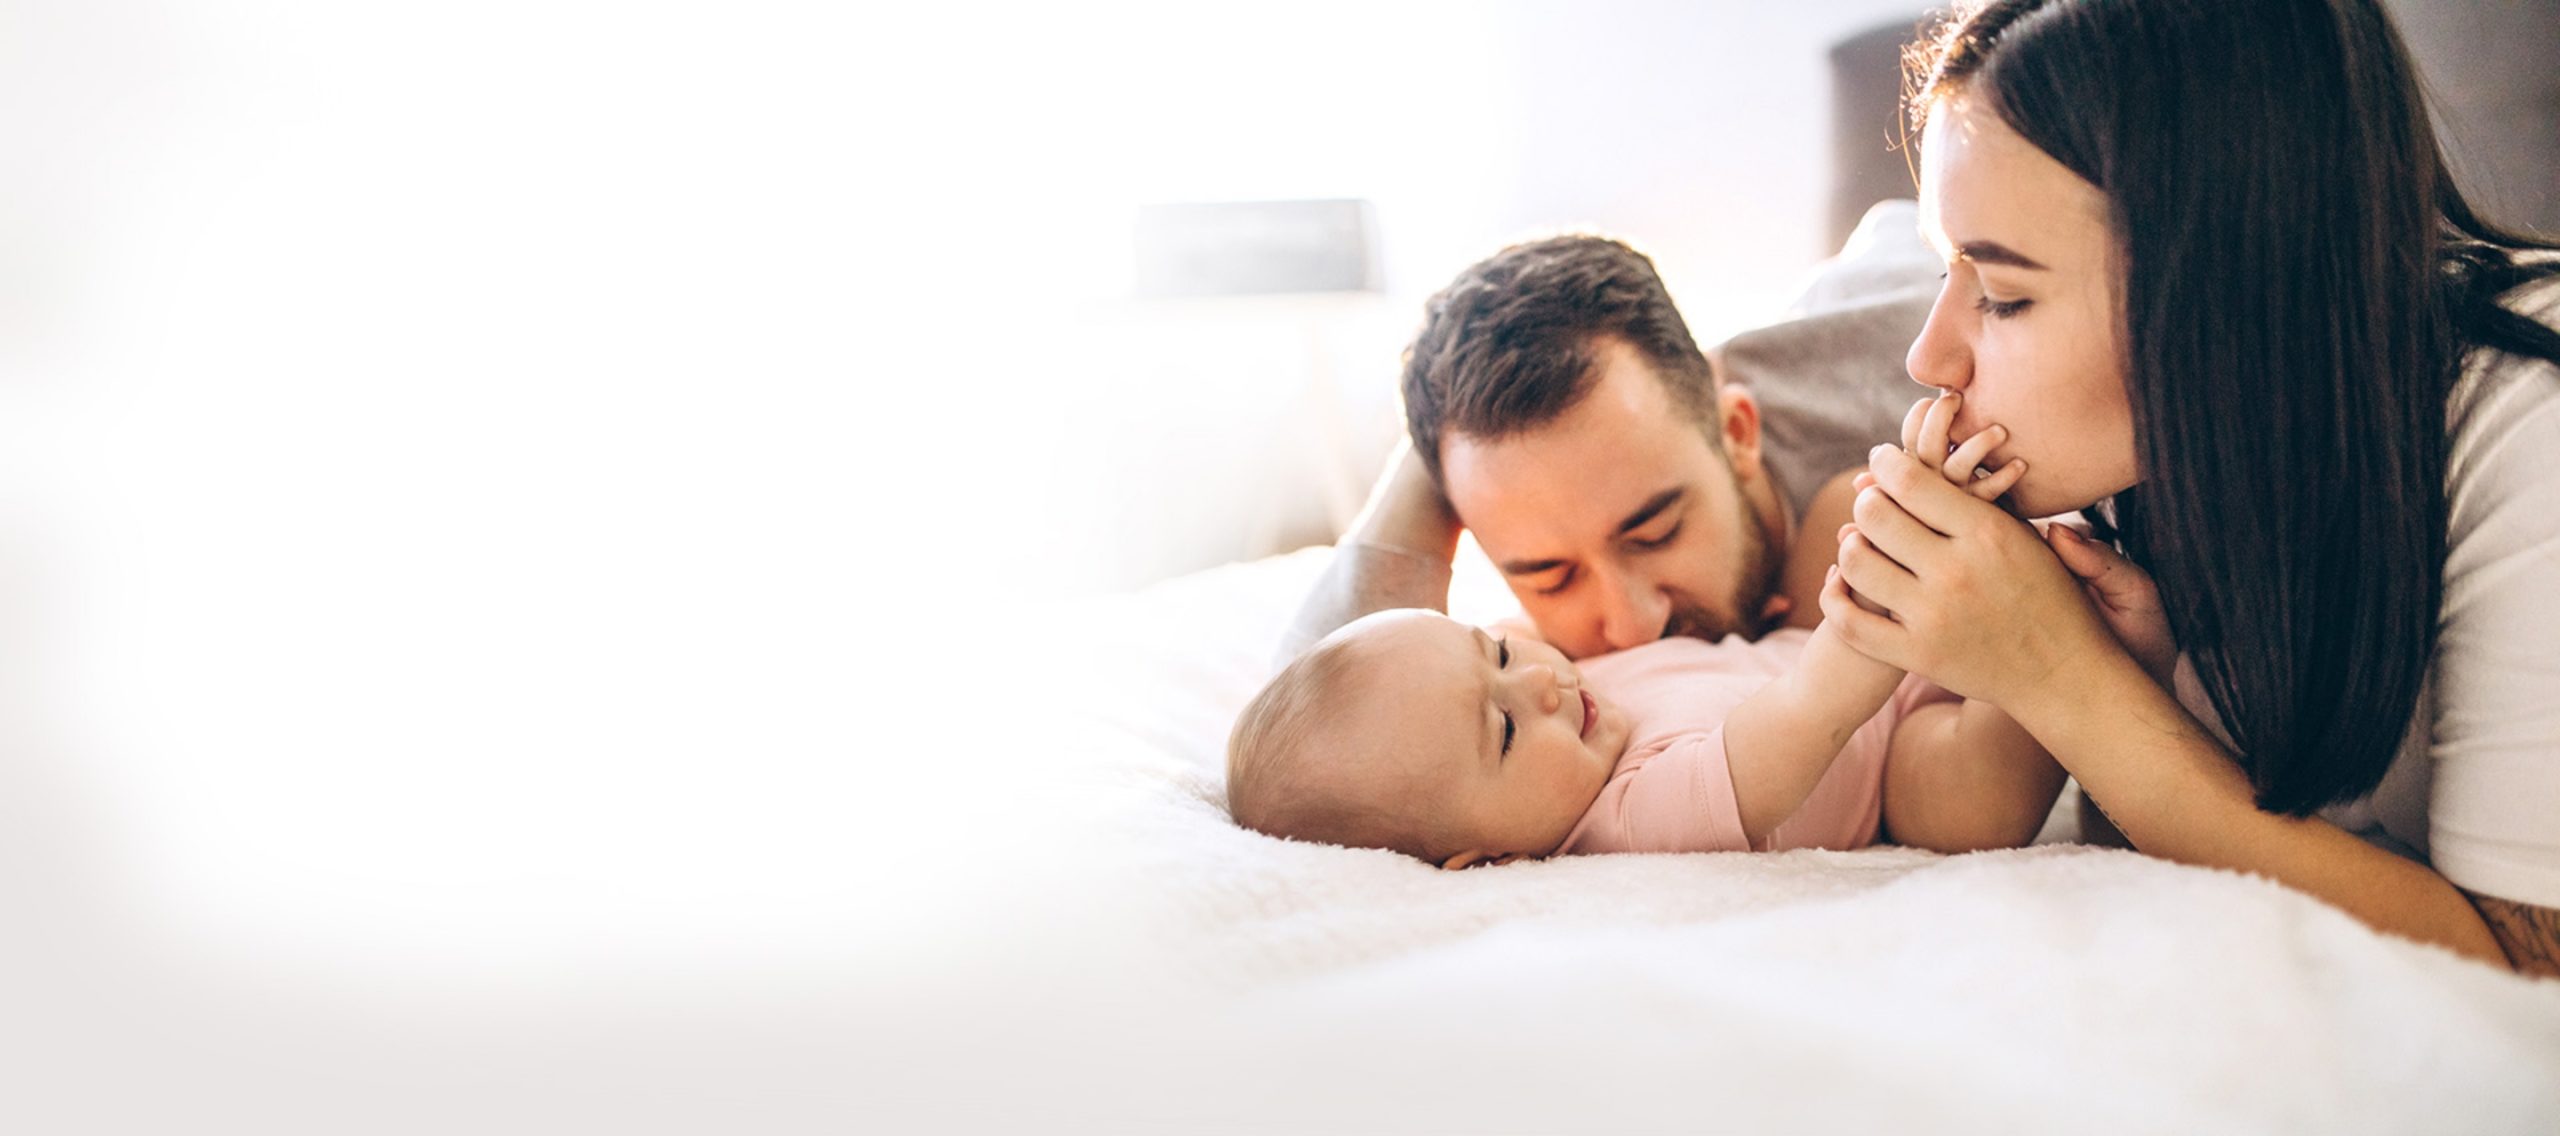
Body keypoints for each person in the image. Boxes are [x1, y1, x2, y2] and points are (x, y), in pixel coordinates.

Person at [1829, 0, 2560, 974]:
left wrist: (2067, 678)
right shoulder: (2131, 467)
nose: (1927, 359)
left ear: (2228, 280)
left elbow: (2526, 971)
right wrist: (2088, 674)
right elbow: (2009, 805)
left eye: (2003, 295)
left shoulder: (2529, 419)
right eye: (1944, 273)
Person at [1229, 398, 2061, 864]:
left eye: (1500, 653)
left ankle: (2011, 570)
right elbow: (1808, 714)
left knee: (1848, 499)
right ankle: (2059, 596)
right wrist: (1903, 549)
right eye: (1505, 729)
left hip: (1815, 647)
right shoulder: (1633, 818)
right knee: (1973, 807)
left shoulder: (1570, 695)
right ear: (1488, 860)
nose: (1539, 681)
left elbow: (1363, 680)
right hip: (1885, 757)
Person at [1281, 232, 1927, 663]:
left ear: (1737, 434)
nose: (1631, 628)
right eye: (1552, 579)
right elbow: (1311, 735)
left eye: (1655, 534)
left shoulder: (1925, 413)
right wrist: (1440, 441)